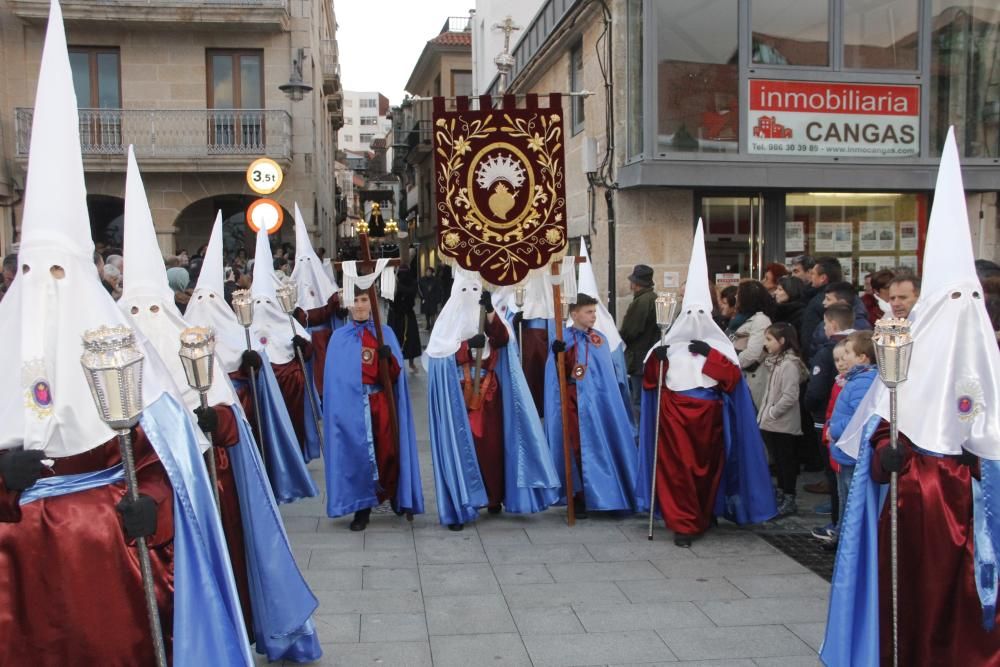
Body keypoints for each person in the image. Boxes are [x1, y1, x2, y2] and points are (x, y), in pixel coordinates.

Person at [0, 6, 253, 662]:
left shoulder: (119, 352)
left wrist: (154, 513)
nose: (46, 287)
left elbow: (158, 460)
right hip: (15, 578)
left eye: (60, 270)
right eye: (33, 272)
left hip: (106, 562)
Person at [118, 151, 321, 661]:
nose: (144, 320)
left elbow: (231, 420)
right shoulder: (110, 357)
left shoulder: (190, 342)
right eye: (133, 309)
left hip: (206, 487)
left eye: (152, 308)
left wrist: (214, 421)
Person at [822, 129, 1000, 666]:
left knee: (969, 612)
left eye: (972, 298)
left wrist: (981, 459)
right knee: (915, 603)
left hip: (978, 512)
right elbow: (880, 420)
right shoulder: (908, 352)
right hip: (915, 505)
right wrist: (884, 457)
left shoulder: (986, 358)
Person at [638, 221, 776, 546]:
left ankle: (705, 511)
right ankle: (684, 523)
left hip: (708, 418)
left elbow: (731, 380)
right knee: (677, 473)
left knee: (708, 471)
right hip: (673, 418)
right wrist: (657, 361)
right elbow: (651, 383)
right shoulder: (669, 343)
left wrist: (710, 357)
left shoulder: (719, 345)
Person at [186, 214, 318, 505]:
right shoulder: (188, 334)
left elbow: (304, 349)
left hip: (260, 398)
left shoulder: (239, 331)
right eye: (200, 300)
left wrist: (256, 361)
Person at [426, 271, 559, 529]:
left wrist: (488, 312)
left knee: (493, 448)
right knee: (465, 448)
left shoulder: (486, 316)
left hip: (490, 396)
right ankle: (465, 500)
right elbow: (439, 357)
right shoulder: (446, 325)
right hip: (459, 397)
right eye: (465, 291)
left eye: (475, 291)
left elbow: (503, 340)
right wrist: (463, 349)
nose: (470, 297)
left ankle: (494, 497)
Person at [323, 288, 424, 531]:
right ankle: (362, 508)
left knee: (388, 452)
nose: (359, 305)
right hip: (353, 409)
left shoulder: (384, 333)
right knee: (360, 457)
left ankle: (396, 496)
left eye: (364, 300)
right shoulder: (339, 338)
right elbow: (335, 382)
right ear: (348, 304)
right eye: (355, 300)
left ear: (373, 303)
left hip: (381, 404)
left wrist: (387, 359)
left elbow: (393, 377)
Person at [545, 293, 637, 518]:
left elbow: (606, 375)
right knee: (577, 447)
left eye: (594, 311)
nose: (593, 316)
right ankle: (578, 497)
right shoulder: (563, 338)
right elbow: (559, 374)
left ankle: (607, 493)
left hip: (598, 402)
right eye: (588, 312)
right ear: (574, 314)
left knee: (601, 445)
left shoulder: (600, 340)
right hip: (574, 402)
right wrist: (559, 353)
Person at [249, 228, 322, 463]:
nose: (262, 306)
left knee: (293, 422)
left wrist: (302, 346)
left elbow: (308, 351)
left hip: (290, 386)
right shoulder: (245, 326)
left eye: (266, 302)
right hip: (260, 387)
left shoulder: (287, 322)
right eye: (257, 301)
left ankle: (295, 456)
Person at [802, 303, 855, 519]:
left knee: (835, 477)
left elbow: (816, 390)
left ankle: (837, 522)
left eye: (825, 324)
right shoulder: (861, 343)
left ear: (832, 325)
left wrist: (811, 409)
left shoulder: (828, 351)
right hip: (841, 422)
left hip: (828, 422)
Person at [289, 204, 344, 394]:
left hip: (324, 339)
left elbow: (336, 309)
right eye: (301, 262)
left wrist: (341, 307)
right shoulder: (290, 291)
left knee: (325, 375)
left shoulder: (327, 289)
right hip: (303, 342)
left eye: (308, 262)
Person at [757, 322, 809, 517]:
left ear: (782, 341)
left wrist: (771, 412)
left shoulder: (788, 364)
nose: (766, 343)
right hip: (772, 423)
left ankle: (789, 496)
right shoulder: (776, 361)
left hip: (782, 424)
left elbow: (789, 395)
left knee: (786, 461)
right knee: (778, 461)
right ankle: (781, 492)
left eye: (769, 339)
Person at [620, 264, 660, 415]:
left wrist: (621, 335)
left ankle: (641, 436)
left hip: (639, 357)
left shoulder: (642, 301)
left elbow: (630, 331)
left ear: (636, 284)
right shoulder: (652, 298)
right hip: (648, 356)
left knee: (638, 401)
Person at [728, 280, 773, 407]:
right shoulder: (740, 318)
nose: (736, 297)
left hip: (751, 377)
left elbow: (753, 353)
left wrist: (730, 363)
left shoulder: (761, 320)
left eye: (739, 293)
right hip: (740, 374)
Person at [799, 256, 842, 359]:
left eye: (813, 273)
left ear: (823, 278)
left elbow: (810, 336)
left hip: (820, 358)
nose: (810, 277)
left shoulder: (819, 301)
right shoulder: (841, 295)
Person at [387, 264, 422, 371]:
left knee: (411, 339)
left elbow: (411, 291)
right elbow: (389, 297)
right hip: (395, 315)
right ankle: (393, 362)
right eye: (401, 273)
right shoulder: (393, 283)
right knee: (393, 339)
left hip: (407, 315)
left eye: (405, 273)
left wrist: (398, 285)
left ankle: (411, 362)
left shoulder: (413, 282)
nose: (403, 276)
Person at [418, 266, 441, 330]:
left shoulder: (435, 280)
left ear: (432, 272)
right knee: (426, 313)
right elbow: (419, 289)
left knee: (433, 313)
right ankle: (428, 324)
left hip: (433, 299)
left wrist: (438, 299)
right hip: (425, 298)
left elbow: (438, 290)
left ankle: (433, 324)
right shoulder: (422, 280)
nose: (428, 273)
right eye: (427, 271)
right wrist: (422, 297)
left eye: (429, 272)